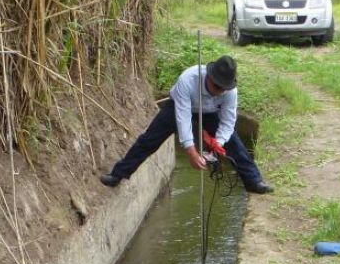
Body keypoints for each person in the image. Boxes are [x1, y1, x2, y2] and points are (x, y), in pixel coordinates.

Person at [100, 55, 273, 194]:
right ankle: (118, 174)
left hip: (211, 112)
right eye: (217, 86)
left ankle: (254, 181)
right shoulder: (189, 79)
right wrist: (191, 151)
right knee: (149, 140)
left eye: (224, 88)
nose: (220, 91)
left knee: (234, 143)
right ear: (210, 77)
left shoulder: (230, 92)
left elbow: (228, 122)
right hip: (181, 105)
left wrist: (217, 143)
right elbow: (183, 119)